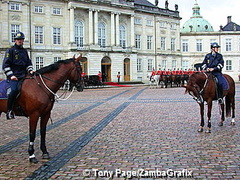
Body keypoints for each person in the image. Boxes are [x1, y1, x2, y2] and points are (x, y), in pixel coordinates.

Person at [2, 31, 34, 119]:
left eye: (21, 39)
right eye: (18, 39)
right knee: (14, 91)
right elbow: (5, 65)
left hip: (24, 75)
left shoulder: (24, 51)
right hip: (14, 76)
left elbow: (28, 63)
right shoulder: (10, 51)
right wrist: (11, 75)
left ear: (23, 40)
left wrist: (30, 70)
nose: (19, 41)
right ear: (15, 40)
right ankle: (9, 111)